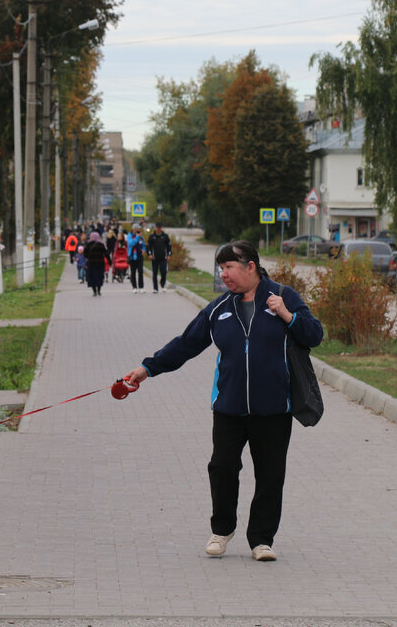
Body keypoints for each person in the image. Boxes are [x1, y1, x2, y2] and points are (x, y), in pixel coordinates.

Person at [122, 240, 323, 562]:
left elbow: (314, 335)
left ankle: (261, 540)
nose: (224, 274)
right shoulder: (219, 309)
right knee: (222, 468)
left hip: (274, 408)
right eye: (222, 268)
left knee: (270, 475)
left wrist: (287, 316)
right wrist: (148, 368)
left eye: (229, 267)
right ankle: (222, 530)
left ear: (250, 267)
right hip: (229, 407)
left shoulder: (283, 297)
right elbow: (186, 344)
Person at [146, 222, 173, 293]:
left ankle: (163, 284)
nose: (158, 229)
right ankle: (155, 288)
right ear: (155, 228)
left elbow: (169, 246)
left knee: (164, 272)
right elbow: (148, 246)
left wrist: (169, 254)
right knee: (154, 273)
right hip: (154, 258)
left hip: (163, 258)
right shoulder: (152, 236)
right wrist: (149, 254)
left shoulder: (165, 236)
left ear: (161, 228)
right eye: (157, 227)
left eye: (160, 228)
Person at [83, 232, 108, 297]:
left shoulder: (88, 245)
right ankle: (99, 291)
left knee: (92, 278)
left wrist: (89, 256)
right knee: (99, 277)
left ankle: (94, 291)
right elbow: (106, 253)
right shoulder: (101, 244)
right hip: (100, 264)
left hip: (91, 264)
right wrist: (110, 262)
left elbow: (85, 254)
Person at [126, 224, 146, 293]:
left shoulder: (141, 237)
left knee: (140, 272)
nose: (139, 231)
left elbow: (143, 245)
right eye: (138, 229)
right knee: (133, 272)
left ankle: (141, 287)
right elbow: (131, 243)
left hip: (139, 256)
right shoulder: (129, 236)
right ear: (134, 229)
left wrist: (144, 250)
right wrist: (137, 237)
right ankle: (134, 287)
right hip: (132, 257)